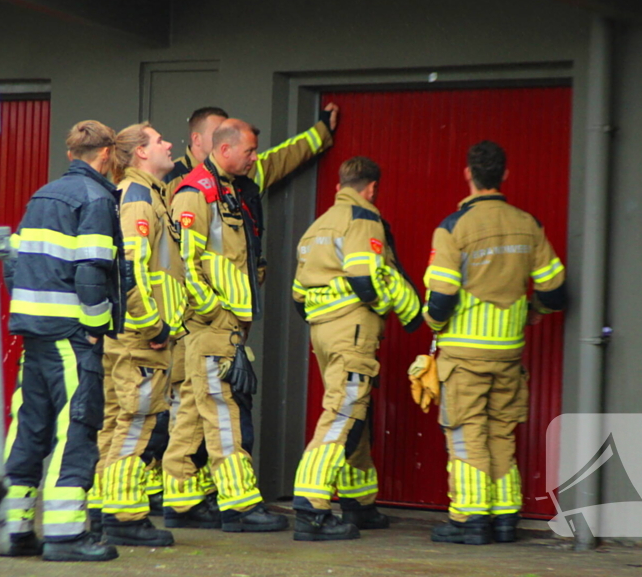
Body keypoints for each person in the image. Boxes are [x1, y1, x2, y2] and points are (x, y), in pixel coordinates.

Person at [161, 105, 339, 528]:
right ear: (224, 149)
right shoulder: (196, 192)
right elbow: (184, 264)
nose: (256, 158)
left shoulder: (233, 186)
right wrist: (213, 310)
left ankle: (181, 500)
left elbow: (279, 160)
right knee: (223, 410)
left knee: (193, 409)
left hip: (225, 321)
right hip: (212, 322)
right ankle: (240, 505)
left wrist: (320, 132)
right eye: (250, 152)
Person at [425, 140, 567, 546]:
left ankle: (470, 519)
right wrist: (534, 311)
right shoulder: (528, 225)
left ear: (468, 174)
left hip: (464, 355)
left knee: (466, 432)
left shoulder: (453, 227)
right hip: (508, 352)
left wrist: (432, 323)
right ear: (504, 174)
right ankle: (505, 518)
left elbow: (441, 298)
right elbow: (555, 291)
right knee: (501, 432)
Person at [1, 120, 126, 562]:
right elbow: (92, 270)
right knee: (75, 429)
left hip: (34, 333)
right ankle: (66, 534)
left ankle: (13, 530)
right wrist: (94, 325)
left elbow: (12, 261)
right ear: (106, 154)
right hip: (71, 337)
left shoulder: (42, 195)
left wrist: (31, 309)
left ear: (72, 153)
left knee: (28, 429)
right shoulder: (96, 198)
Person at [289, 156, 421, 541]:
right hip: (352, 327)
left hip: (322, 329)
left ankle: (358, 502)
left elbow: (298, 295)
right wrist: (386, 306)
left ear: (339, 186)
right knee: (344, 411)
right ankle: (311, 506)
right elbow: (365, 279)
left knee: (354, 409)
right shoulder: (362, 219)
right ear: (371, 188)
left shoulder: (316, 226)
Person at [95, 123, 188, 547]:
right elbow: (129, 270)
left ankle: (102, 506)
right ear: (141, 153)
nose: (169, 144)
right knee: (136, 421)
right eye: (159, 140)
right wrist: (154, 326)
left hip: (130, 333)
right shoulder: (137, 198)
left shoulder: (146, 194)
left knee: (116, 421)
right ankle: (123, 515)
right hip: (141, 336)